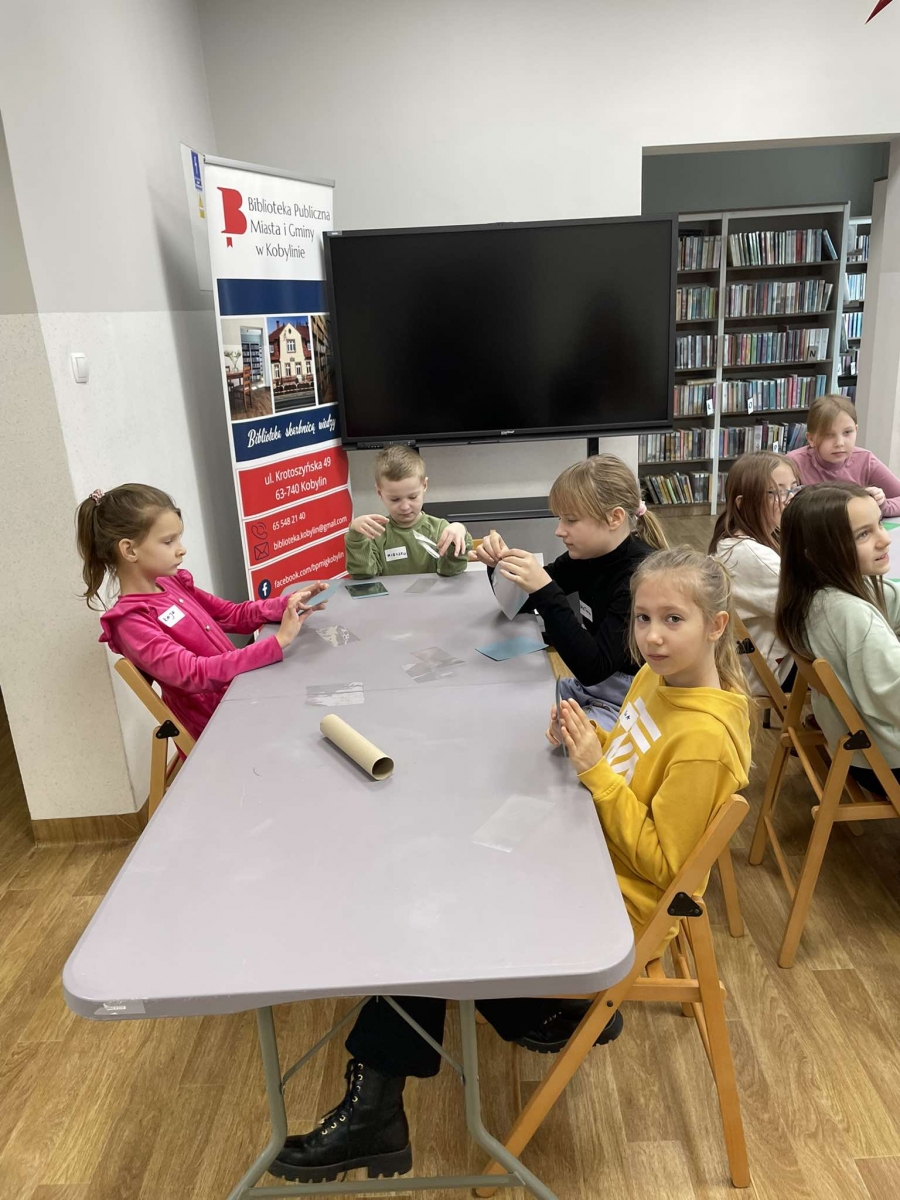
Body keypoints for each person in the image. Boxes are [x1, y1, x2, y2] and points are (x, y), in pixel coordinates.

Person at [554, 546, 752, 951]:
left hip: (623, 904)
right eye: (642, 618)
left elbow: (666, 868)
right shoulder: (653, 675)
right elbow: (629, 759)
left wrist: (596, 772)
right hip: (591, 845)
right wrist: (586, 736)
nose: (651, 636)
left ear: (716, 626)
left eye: (673, 619)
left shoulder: (704, 742)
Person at [76, 484, 327, 741]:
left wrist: (286, 604)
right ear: (129, 550)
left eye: (178, 538)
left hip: (244, 695)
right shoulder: (131, 621)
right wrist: (278, 641)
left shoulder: (171, 583)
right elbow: (194, 674)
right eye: (168, 541)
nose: (181, 549)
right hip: (219, 726)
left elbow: (230, 615)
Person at [474, 454, 667, 730]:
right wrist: (499, 565)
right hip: (597, 687)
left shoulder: (642, 579)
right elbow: (521, 603)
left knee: (559, 737)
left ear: (614, 518)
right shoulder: (588, 557)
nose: (559, 531)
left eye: (571, 520)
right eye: (560, 519)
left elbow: (593, 667)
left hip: (634, 698)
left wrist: (545, 590)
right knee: (503, 705)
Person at [776, 483, 900, 796]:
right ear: (816, 554)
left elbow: (892, 599)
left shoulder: (814, 594)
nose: (885, 539)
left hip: (858, 752)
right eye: (863, 534)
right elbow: (895, 699)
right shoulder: (851, 613)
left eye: (879, 524)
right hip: (887, 762)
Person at [709, 451, 801, 692]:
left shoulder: (736, 539)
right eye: (776, 492)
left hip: (747, 661)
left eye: (793, 488)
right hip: (762, 672)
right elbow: (809, 609)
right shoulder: (753, 555)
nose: (790, 499)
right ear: (743, 503)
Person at [344, 445, 472, 577]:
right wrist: (356, 538)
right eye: (395, 499)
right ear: (380, 493)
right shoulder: (376, 534)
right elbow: (363, 575)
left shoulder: (440, 529)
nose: (405, 507)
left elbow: (452, 571)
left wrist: (459, 533)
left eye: (413, 497)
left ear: (424, 486)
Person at [788, 393, 900, 517]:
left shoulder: (866, 460)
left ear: (856, 430)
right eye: (828, 435)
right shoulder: (793, 463)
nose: (839, 443)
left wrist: (882, 505)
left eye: (847, 432)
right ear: (811, 439)